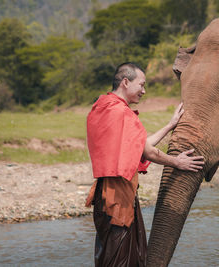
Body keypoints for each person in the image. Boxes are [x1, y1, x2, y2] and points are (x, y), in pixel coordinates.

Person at [85, 62, 204, 267]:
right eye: (141, 85)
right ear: (125, 82)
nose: (144, 91)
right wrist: (177, 161)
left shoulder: (102, 108)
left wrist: (169, 125)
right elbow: (147, 151)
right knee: (122, 260)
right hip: (118, 198)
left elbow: (140, 145)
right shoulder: (123, 113)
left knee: (108, 256)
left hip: (104, 195)